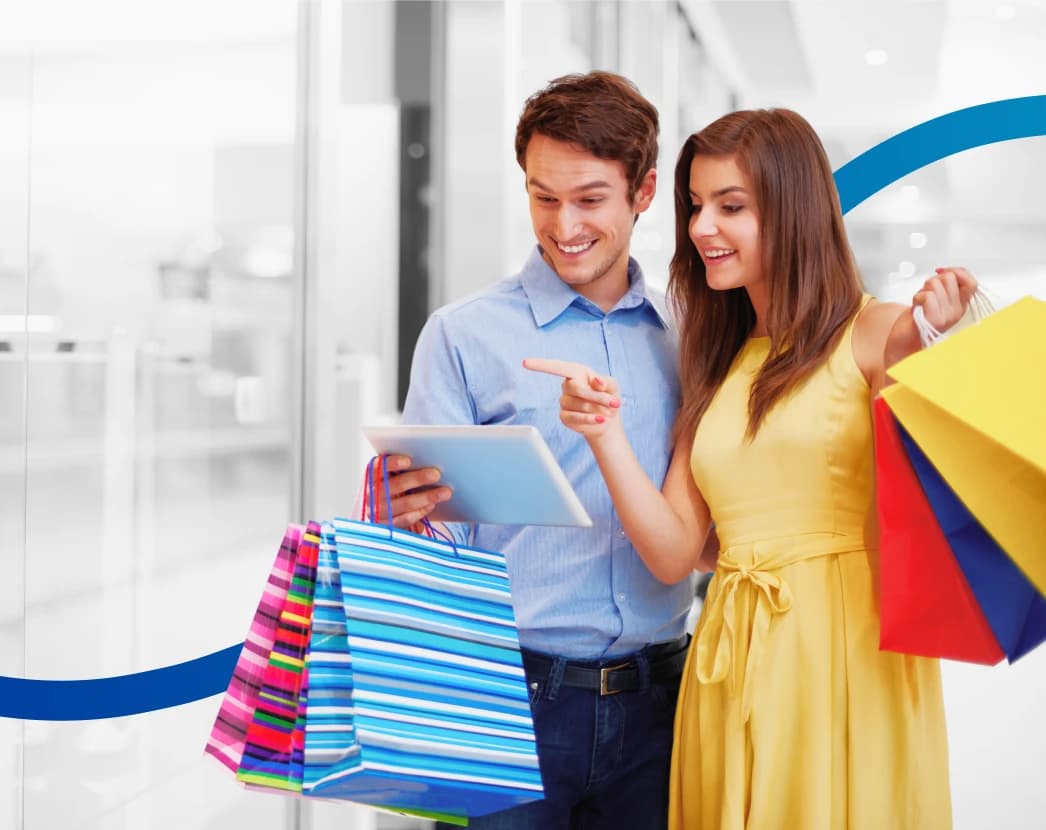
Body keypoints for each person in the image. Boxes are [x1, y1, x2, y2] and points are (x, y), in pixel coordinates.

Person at [526, 107, 975, 829]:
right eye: (697, 205)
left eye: (731, 206)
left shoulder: (877, 332)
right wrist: (603, 436)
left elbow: (910, 513)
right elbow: (674, 552)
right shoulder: (716, 361)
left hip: (841, 652)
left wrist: (911, 360)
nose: (702, 227)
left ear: (793, 210)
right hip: (730, 654)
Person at [373, 72, 696, 828]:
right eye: (542, 196)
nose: (563, 224)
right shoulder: (463, 334)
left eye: (588, 198)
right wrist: (407, 514)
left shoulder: (693, 335)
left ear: (643, 192)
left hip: (666, 705)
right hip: (508, 700)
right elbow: (439, 535)